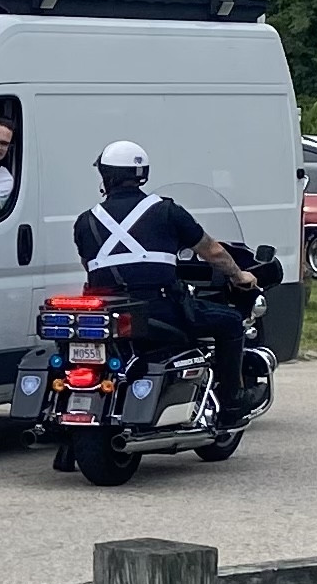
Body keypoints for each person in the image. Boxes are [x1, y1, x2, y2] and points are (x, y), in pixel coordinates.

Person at [72, 140, 259, 427]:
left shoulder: (86, 221)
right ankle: (233, 401)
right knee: (231, 322)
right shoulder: (167, 211)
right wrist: (240, 276)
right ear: (142, 175)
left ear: (105, 175)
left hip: (108, 316)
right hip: (159, 309)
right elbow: (213, 251)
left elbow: (92, 268)